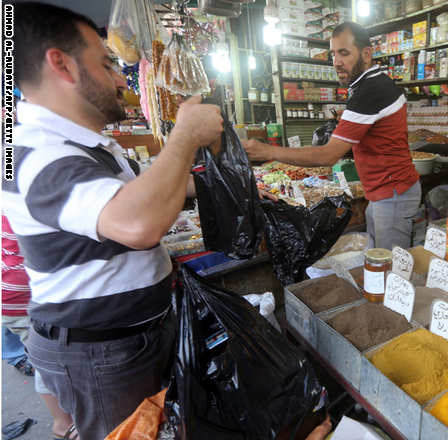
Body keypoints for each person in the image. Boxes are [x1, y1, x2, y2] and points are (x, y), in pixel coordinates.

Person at [5, 4, 224, 439]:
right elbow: (140, 223)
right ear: (61, 64)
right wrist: (183, 135)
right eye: (107, 64)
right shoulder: (38, 153)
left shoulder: (89, 145)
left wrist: (234, 175)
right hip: (102, 354)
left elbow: (156, 190)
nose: (123, 77)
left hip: (131, 340)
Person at [244, 21, 421, 250]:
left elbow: (329, 156)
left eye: (344, 53)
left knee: (390, 271)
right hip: (384, 193)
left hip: (394, 194)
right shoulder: (368, 84)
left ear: (366, 54)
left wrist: (267, 151)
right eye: (334, 54)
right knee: (378, 264)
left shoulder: (370, 90)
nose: (337, 62)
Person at [3, 215, 79, 440]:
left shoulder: (9, 186)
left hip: (16, 294)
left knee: (43, 355)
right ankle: (62, 422)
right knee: (46, 361)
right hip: (23, 300)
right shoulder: (21, 194)